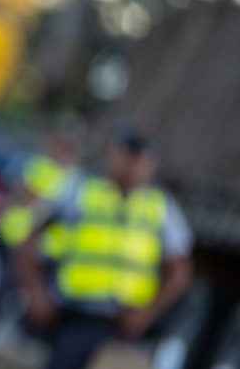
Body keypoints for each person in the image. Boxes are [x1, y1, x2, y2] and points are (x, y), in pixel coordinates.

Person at [14, 127, 194, 369]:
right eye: (128, 157)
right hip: (77, 316)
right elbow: (27, 240)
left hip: (123, 325)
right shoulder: (80, 189)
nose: (134, 166)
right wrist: (36, 293)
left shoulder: (160, 206)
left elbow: (180, 271)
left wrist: (147, 314)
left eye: (142, 160)